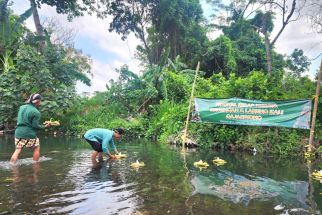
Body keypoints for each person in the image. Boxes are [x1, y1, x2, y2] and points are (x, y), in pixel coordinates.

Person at [10, 94, 51, 164]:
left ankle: (11, 166)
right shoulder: (36, 112)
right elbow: (35, 126)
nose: (40, 102)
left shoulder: (22, 107)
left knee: (17, 150)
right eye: (40, 100)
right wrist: (45, 126)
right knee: (36, 147)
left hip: (18, 132)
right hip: (29, 133)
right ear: (37, 101)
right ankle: (35, 166)